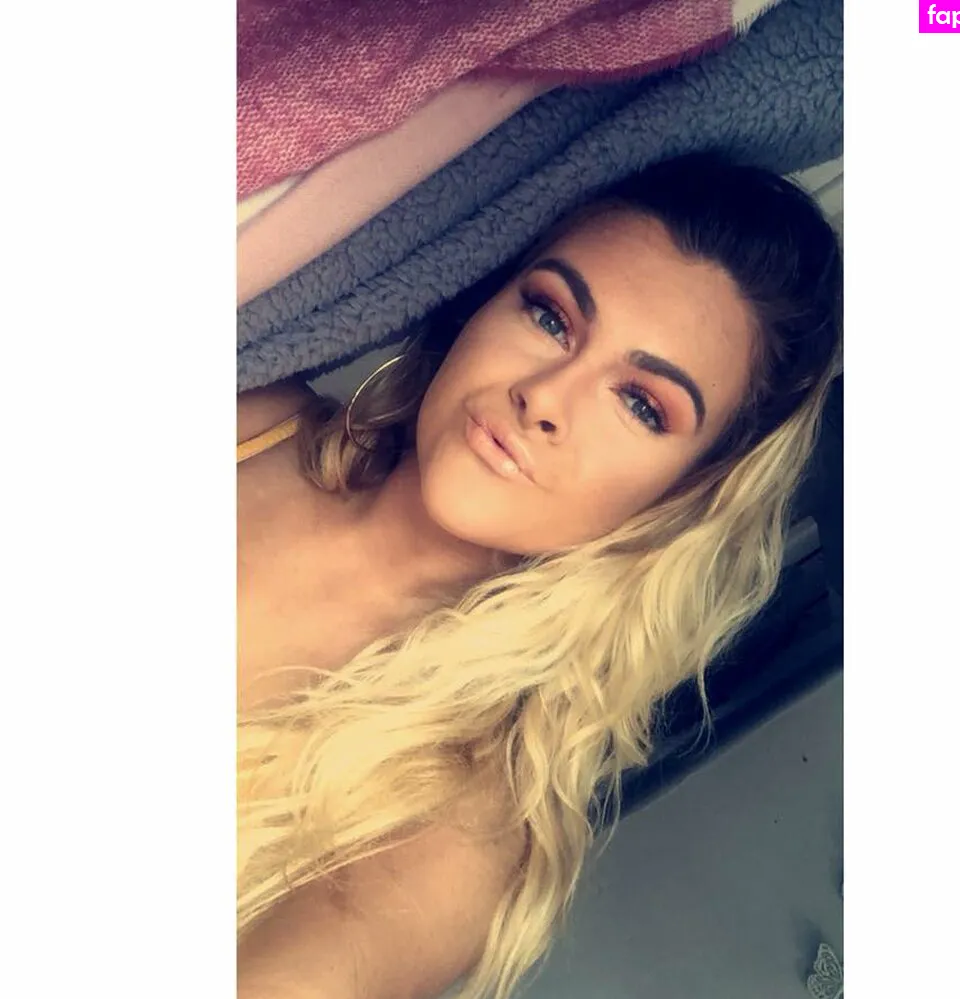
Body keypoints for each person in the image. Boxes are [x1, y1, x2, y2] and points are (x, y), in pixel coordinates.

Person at [236, 152, 842, 999]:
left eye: (641, 404)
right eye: (551, 315)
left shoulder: (462, 816)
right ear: (485, 297)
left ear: (683, 497)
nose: (547, 397)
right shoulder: (252, 412)